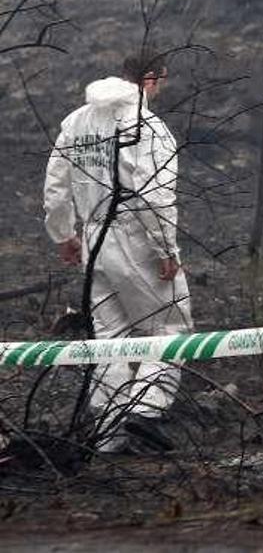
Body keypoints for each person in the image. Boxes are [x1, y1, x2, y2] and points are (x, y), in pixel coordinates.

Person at [43, 49, 191, 453]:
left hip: (93, 239)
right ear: (152, 79)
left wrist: (63, 234)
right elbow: (154, 192)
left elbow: (55, 185)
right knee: (170, 326)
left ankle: (108, 433)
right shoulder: (147, 127)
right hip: (135, 238)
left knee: (108, 336)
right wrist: (165, 248)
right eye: (162, 80)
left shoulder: (77, 121)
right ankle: (144, 412)